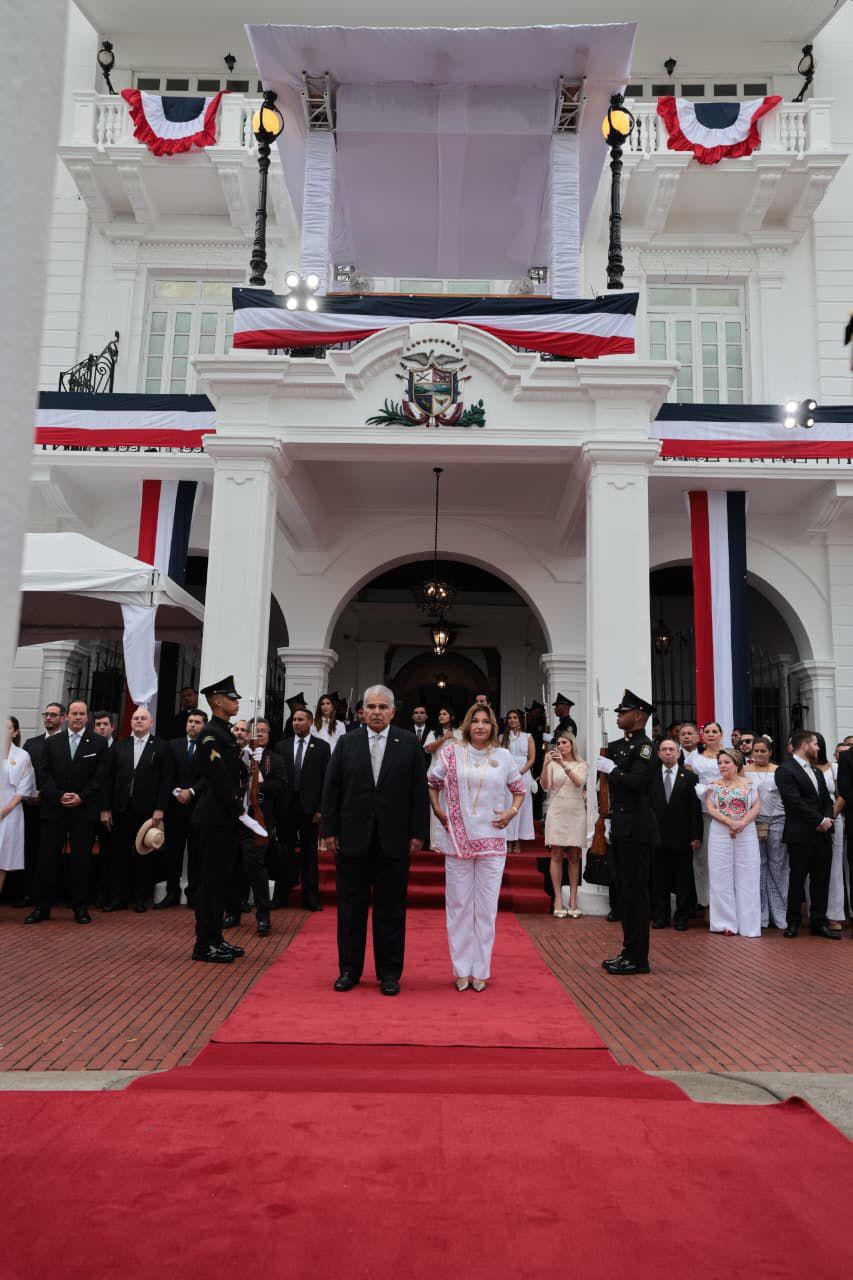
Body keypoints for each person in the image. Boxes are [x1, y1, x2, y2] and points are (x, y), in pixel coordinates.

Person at [321, 684, 429, 996]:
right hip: (352, 840)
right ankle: (348, 970)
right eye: (372, 707)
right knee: (350, 909)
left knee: (391, 910)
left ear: (393, 712)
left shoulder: (408, 744)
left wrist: (418, 833)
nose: (377, 712)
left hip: (394, 840)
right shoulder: (346, 742)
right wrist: (329, 831)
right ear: (363, 711)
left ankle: (390, 973)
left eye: (383, 707)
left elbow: (418, 793)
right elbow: (332, 790)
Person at [428, 703, 525, 990]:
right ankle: (461, 969)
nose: (481, 726)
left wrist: (512, 812)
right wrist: (437, 809)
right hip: (457, 840)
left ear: (493, 726)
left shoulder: (504, 756)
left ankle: (480, 970)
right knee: (458, 906)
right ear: (468, 725)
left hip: (492, 842)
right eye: (476, 721)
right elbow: (432, 781)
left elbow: (519, 790)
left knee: (486, 909)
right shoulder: (451, 752)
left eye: (486, 721)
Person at [26, 700, 109, 926]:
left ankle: (80, 906)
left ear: (87, 718)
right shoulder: (52, 742)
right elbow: (42, 773)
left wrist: (81, 797)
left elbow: (101, 776)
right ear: (67, 716)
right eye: (74, 713)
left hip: (83, 810)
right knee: (47, 859)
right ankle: (42, 906)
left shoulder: (99, 743)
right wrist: (58, 795)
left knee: (81, 860)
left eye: (82, 714)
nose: (77, 717)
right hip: (54, 809)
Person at [596, 689, 657, 976]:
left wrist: (613, 771)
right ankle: (628, 950)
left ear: (640, 716)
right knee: (624, 893)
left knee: (636, 894)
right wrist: (607, 818)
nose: (619, 716)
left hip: (638, 829)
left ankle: (638, 957)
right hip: (621, 826)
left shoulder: (645, 747)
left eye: (624, 712)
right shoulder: (620, 746)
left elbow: (636, 782)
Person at [190, 676, 248, 965]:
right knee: (210, 883)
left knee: (221, 881)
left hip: (224, 817)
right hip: (214, 816)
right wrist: (238, 807)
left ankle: (215, 938)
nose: (236, 702)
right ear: (216, 702)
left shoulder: (224, 732)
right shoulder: (211, 733)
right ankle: (203, 944)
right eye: (231, 698)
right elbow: (219, 777)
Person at [101, 706, 173, 913]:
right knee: (119, 855)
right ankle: (119, 897)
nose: (139, 721)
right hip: (121, 809)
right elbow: (108, 779)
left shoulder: (161, 746)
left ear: (151, 723)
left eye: (143, 718)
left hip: (148, 812)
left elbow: (166, 780)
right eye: (135, 718)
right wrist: (105, 809)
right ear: (131, 722)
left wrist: (160, 808)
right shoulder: (119, 746)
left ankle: (141, 898)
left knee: (144, 855)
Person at [775, 729, 838, 940]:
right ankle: (793, 922)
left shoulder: (817, 772)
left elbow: (827, 799)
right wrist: (819, 820)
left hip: (822, 835)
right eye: (816, 744)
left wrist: (827, 819)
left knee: (821, 880)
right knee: (797, 879)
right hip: (800, 835)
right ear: (804, 746)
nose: (818, 748)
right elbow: (793, 801)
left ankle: (818, 922)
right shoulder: (785, 770)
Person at [225, 717, 284, 936]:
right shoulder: (236, 754)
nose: (258, 735)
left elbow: (281, 786)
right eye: (254, 731)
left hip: (258, 820)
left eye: (263, 732)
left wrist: (260, 781)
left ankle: (263, 916)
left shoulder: (275, 759)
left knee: (256, 868)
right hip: (234, 818)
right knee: (231, 866)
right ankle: (232, 911)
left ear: (268, 735)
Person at [276, 706, 330, 911]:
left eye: (300, 719)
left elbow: (327, 781)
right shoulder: (281, 746)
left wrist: (321, 809)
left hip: (310, 810)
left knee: (310, 855)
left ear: (309, 723)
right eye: (294, 720)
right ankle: (281, 897)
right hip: (286, 808)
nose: (296, 723)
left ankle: (311, 899)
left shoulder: (322, 747)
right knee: (284, 853)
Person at [704, 748, 761, 937]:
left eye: (726, 762)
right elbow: (711, 807)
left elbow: (756, 806)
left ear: (737, 764)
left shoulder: (751, 783)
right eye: (719, 763)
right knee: (720, 875)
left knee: (749, 874)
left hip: (746, 831)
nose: (722, 766)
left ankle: (749, 924)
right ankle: (724, 923)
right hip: (720, 832)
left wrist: (743, 822)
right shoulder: (713, 785)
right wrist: (729, 822)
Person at [649, 738, 703, 930]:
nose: (668, 752)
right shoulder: (651, 776)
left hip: (682, 837)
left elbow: (695, 810)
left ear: (679, 753)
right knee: (659, 879)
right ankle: (660, 916)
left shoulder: (690, 778)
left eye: (672, 749)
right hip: (656, 837)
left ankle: (681, 917)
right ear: (658, 754)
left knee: (683, 879)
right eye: (664, 749)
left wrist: (696, 835)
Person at [17, 702, 66, 906]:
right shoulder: (32, 743)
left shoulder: (66, 743)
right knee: (29, 850)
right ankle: (28, 893)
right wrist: (30, 793)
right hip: (31, 806)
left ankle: (49, 894)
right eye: (46, 714)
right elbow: (25, 772)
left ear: (63, 718)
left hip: (54, 807)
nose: (48, 718)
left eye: (53, 715)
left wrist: (46, 794)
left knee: (50, 853)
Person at [160, 709, 208, 909]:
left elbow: (208, 775)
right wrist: (177, 791)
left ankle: (194, 894)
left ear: (204, 725)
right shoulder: (173, 745)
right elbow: (166, 774)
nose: (193, 725)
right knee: (174, 851)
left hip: (198, 807)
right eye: (190, 721)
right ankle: (172, 892)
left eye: (197, 722)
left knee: (196, 852)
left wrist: (192, 791)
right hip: (175, 806)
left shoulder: (208, 747)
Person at [541, 730, 587, 918]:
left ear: (572, 744)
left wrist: (563, 765)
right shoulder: (551, 763)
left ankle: (573, 900)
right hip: (557, 809)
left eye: (564, 743)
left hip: (575, 810)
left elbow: (579, 782)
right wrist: (545, 765)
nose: (560, 746)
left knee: (575, 855)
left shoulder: (582, 764)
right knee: (556, 854)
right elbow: (545, 786)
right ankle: (558, 899)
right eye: (558, 743)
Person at [745, 736, 789, 930]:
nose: (759, 754)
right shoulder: (745, 772)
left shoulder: (779, 771)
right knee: (759, 867)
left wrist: (772, 819)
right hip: (753, 823)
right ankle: (761, 914)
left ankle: (780, 914)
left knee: (778, 866)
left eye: (763, 751)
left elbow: (785, 798)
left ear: (770, 752)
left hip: (778, 820)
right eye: (756, 751)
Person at [684, 721, 726, 915]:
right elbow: (689, 783)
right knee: (703, 858)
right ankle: (706, 904)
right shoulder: (694, 757)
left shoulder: (730, 755)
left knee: (724, 859)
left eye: (714, 731)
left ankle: (725, 903)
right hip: (703, 812)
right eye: (707, 732)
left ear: (721, 734)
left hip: (727, 811)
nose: (710, 735)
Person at [813, 732, 846, 933]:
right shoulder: (801, 769)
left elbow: (842, 795)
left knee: (834, 868)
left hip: (833, 818)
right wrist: (816, 819)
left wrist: (829, 817)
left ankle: (834, 914)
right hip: (810, 821)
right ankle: (815, 912)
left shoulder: (834, 768)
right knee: (813, 869)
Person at [0, 718, 36, 898]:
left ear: (15, 732)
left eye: (8, 728)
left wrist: (3, 811)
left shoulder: (23, 756)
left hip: (10, 812)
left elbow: (23, 789)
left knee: (2, 859)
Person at [90, 710, 116, 908]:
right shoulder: (87, 746)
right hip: (86, 808)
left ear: (112, 727)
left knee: (108, 854)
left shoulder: (120, 748)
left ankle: (104, 893)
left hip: (110, 811)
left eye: (105, 724)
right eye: (98, 724)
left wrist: (106, 808)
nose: (101, 727)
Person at [501, 709, 535, 853]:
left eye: (515, 717)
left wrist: (520, 772)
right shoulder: (502, 737)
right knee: (508, 806)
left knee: (522, 807)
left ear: (520, 719)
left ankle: (518, 840)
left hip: (523, 774)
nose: (512, 720)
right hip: (506, 775)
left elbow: (532, 758)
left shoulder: (528, 737)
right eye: (509, 718)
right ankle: (509, 840)